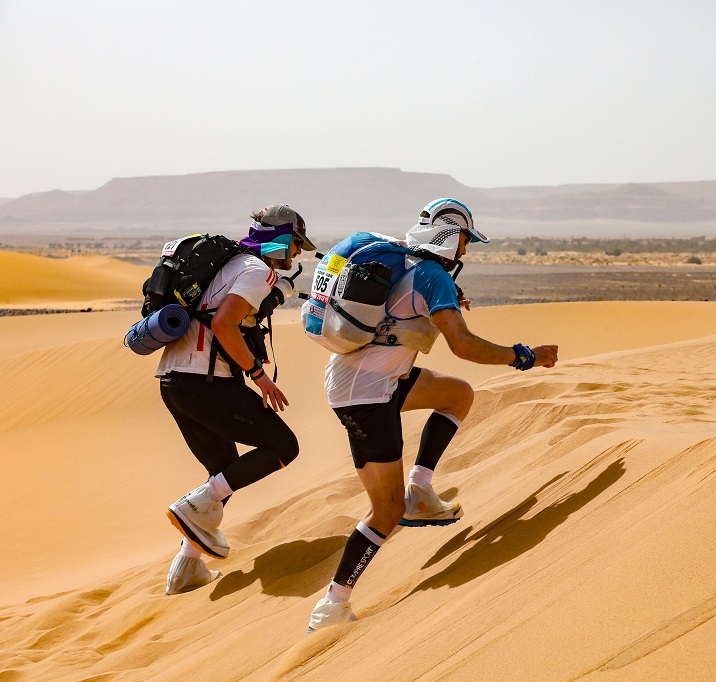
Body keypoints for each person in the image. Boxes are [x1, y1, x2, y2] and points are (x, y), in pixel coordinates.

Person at [306, 198, 559, 634]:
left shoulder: (404, 260)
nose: (464, 252)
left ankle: (420, 491)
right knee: (385, 513)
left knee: (457, 395)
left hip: (368, 380)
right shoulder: (431, 274)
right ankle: (331, 605)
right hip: (366, 397)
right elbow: (463, 346)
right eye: (463, 241)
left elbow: (404, 311)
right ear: (448, 235)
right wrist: (525, 357)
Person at [161, 204, 316, 595]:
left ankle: (185, 569)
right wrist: (259, 376)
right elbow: (223, 324)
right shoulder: (255, 271)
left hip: (173, 382)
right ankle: (190, 512)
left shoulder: (231, 265)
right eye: (295, 245)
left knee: (224, 473)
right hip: (205, 382)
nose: (296, 254)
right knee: (283, 445)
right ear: (280, 240)